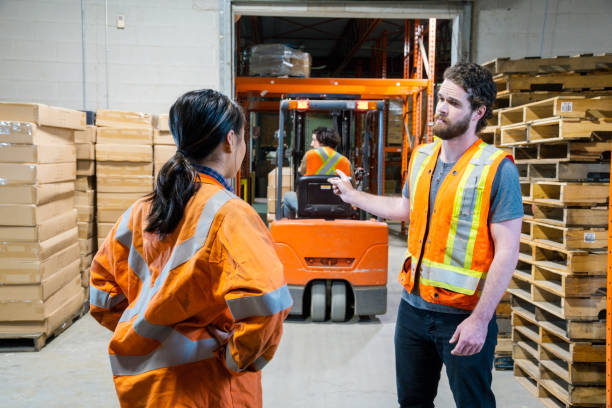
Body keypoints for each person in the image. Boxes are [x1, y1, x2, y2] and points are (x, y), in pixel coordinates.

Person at [329, 62, 523, 408]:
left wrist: (480, 320)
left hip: (463, 315)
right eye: (440, 99)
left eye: (453, 103)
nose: (440, 108)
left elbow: (507, 253)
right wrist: (353, 196)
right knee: (413, 401)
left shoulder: (497, 169)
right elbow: (406, 209)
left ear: (478, 112)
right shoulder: (421, 156)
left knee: (474, 402)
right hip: (413, 311)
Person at [89, 89, 293, 407]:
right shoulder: (230, 214)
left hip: (145, 389)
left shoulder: (140, 210)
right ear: (230, 140)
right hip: (207, 387)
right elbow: (267, 303)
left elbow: (101, 295)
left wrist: (146, 332)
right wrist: (236, 357)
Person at [282, 126, 351, 218]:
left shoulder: (309, 155)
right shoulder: (345, 161)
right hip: (338, 208)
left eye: (314, 140)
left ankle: (291, 228)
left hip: (309, 207)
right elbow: (351, 185)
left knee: (287, 196)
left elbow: (301, 173)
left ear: (322, 141)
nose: (311, 144)